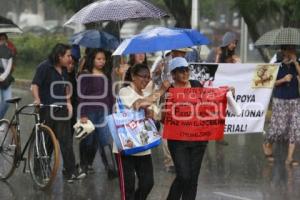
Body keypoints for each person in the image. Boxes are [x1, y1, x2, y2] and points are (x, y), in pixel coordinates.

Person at [31, 43, 85, 183]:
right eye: (68, 56)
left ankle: (70, 171)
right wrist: (37, 99)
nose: (70, 59)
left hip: (61, 109)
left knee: (66, 141)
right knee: (46, 141)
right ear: (59, 56)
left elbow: (66, 87)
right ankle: (40, 170)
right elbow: (35, 85)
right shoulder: (44, 67)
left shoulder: (65, 70)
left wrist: (68, 102)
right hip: (47, 109)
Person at [115, 63, 169, 200]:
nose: (146, 80)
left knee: (148, 183)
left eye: (148, 78)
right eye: (143, 77)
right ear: (133, 76)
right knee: (128, 187)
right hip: (125, 145)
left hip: (143, 145)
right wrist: (161, 90)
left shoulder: (147, 94)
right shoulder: (125, 91)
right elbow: (138, 104)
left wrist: (157, 108)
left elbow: (159, 116)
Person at [162, 57, 208, 200]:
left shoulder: (197, 85)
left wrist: (227, 92)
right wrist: (166, 104)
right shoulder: (169, 90)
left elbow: (209, 103)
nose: (185, 73)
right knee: (184, 176)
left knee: (192, 179)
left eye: (187, 70)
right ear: (173, 74)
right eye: (181, 71)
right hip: (177, 141)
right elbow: (163, 119)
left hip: (198, 140)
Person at [77, 48, 117, 178]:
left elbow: (110, 95)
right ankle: (84, 165)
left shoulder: (106, 74)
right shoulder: (85, 74)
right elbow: (81, 95)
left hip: (104, 111)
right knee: (88, 140)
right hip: (89, 112)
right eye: (99, 59)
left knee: (105, 139)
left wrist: (112, 111)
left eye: (104, 59)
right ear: (92, 59)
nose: (102, 62)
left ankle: (110, 168)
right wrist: (82, 114)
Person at [263, 45, 300, 166]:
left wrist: (295, 63)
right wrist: (283, 80)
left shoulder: (296, 64)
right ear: (284, 51)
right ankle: (267, 143)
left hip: (294, 99)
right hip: (280, 100)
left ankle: (289, 158)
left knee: (294, 128)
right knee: (279, 128)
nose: (293, 51)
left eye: (293, 49)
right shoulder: (276, 64)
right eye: (290, 49)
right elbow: (268, 82)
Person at [206, 31, 240, 146]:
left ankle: (219, 136)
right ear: (227, 42)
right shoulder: (215, 52)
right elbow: (209, 69)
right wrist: (218, 56)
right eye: (233, 43)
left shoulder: (231, 56)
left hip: (225, 89)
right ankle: (205, 135)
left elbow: (232, 73)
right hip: (213, 88)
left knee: (221, 112)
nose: (234, 45)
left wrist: (236, 63)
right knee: (209, 112)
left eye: (235, 43)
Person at [0, 33, 14, 118]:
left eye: (3, 39)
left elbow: (8, 68)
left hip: (5, 81)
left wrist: (2, 77)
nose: (1, 41)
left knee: (7, 101)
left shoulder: (8, 52)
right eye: (0, 39)